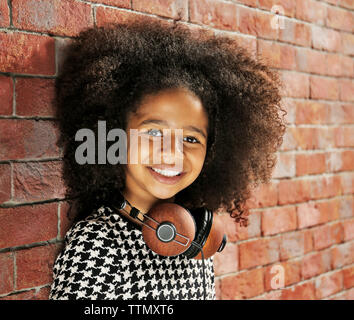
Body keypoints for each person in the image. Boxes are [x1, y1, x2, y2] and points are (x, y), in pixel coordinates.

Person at [49, 19, 286, 300]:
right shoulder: (97, 244)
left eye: (191, 138)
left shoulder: (195, 240)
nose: (173, 153)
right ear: (114, 135)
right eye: (153, 132)